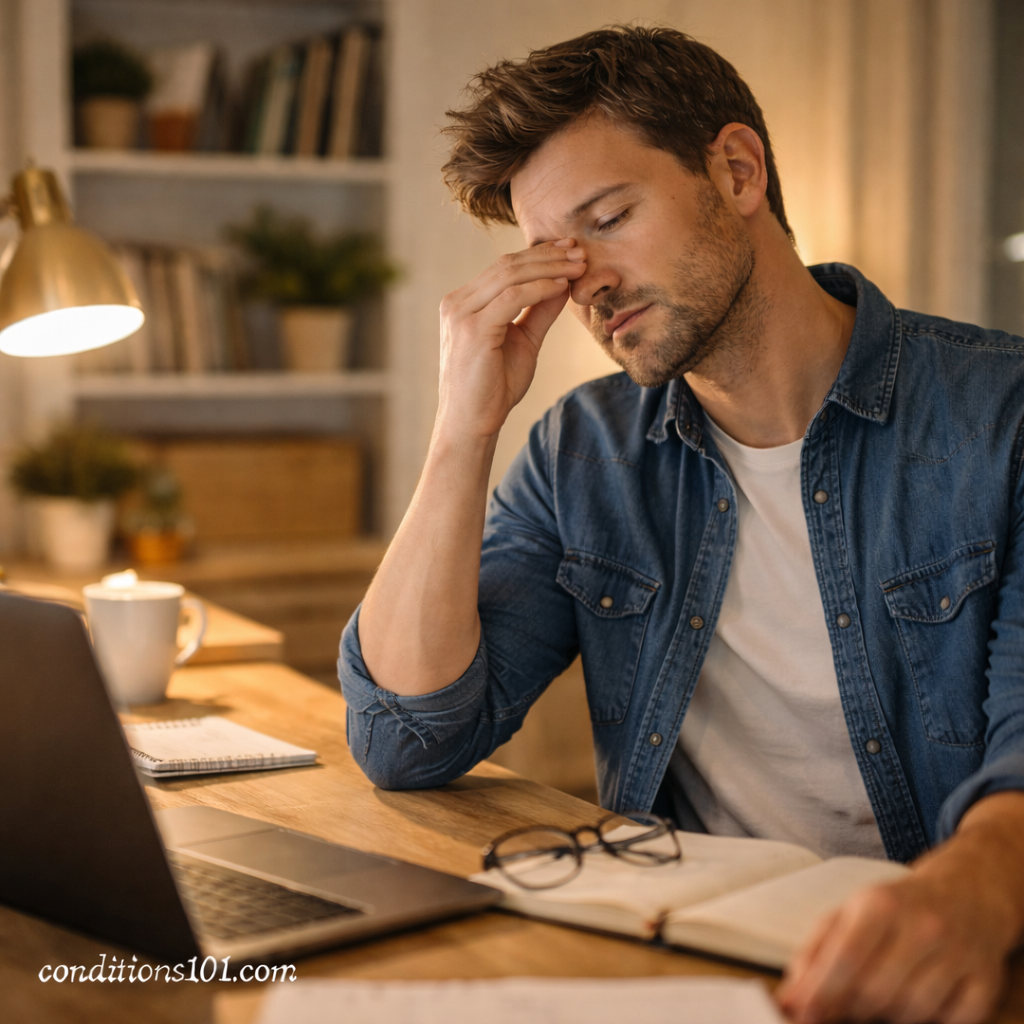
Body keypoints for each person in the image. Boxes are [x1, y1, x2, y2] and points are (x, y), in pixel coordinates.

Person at [339, 26, 1024, 1024]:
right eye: (556, 255)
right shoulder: (586, 451)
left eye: (608, 218)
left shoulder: (997, 415)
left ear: (736, 171)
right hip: (685, 967)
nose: (589, 284)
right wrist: (462, 427)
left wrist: (973, 889)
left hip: (932, 968)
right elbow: (405, 735)